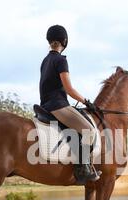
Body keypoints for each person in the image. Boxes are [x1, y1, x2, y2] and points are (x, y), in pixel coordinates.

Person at [39, 25, 101, 184]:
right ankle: (83, 170)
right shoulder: (61, 60)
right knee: (89, 131)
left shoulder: (45, 60)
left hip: (45, 105)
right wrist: (87, 102)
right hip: (58, 106)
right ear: (64, 41)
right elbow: (69, 89)